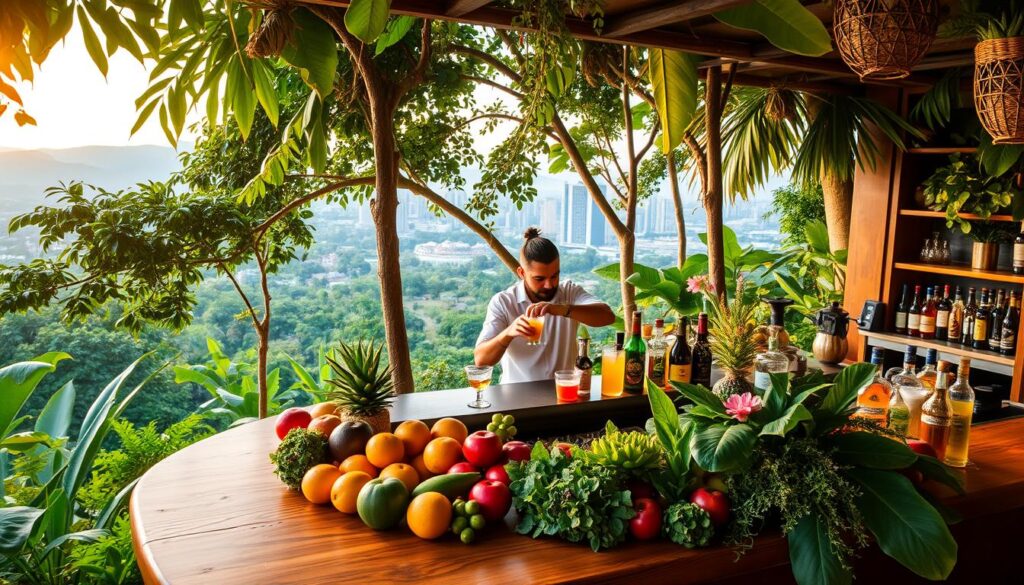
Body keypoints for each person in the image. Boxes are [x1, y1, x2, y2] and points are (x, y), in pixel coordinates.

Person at [474, 227, 616, 383]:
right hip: (516, 398)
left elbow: (607, 316)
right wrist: (507, 334)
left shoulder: (568, 292)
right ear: (522, 273)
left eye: (555, 276)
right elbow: (481, 360)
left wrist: (563, 310)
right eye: (540, 279)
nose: (549, 285)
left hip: (563, 393)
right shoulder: (504, 302)